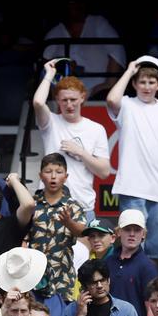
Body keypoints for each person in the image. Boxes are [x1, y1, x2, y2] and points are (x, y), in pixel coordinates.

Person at [106, 57, 158, 259]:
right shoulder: (126, 105)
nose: (147, 87)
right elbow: (111, 100)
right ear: (134, 83)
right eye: (142, 82)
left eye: (151, 82)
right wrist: (130, 70)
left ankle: (154, 291)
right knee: (131, 248)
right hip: (133, 189)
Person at [32, 62, 111, 217]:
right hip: (51, 205)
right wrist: (49, 74)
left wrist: (81, 153)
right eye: (64, 100)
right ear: (57, 100)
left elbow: (104, 172)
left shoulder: (96, 129)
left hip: (83, 204)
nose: (69, 105)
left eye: (73, 99)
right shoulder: (51, 122)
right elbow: (38, 102)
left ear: (83, 97)